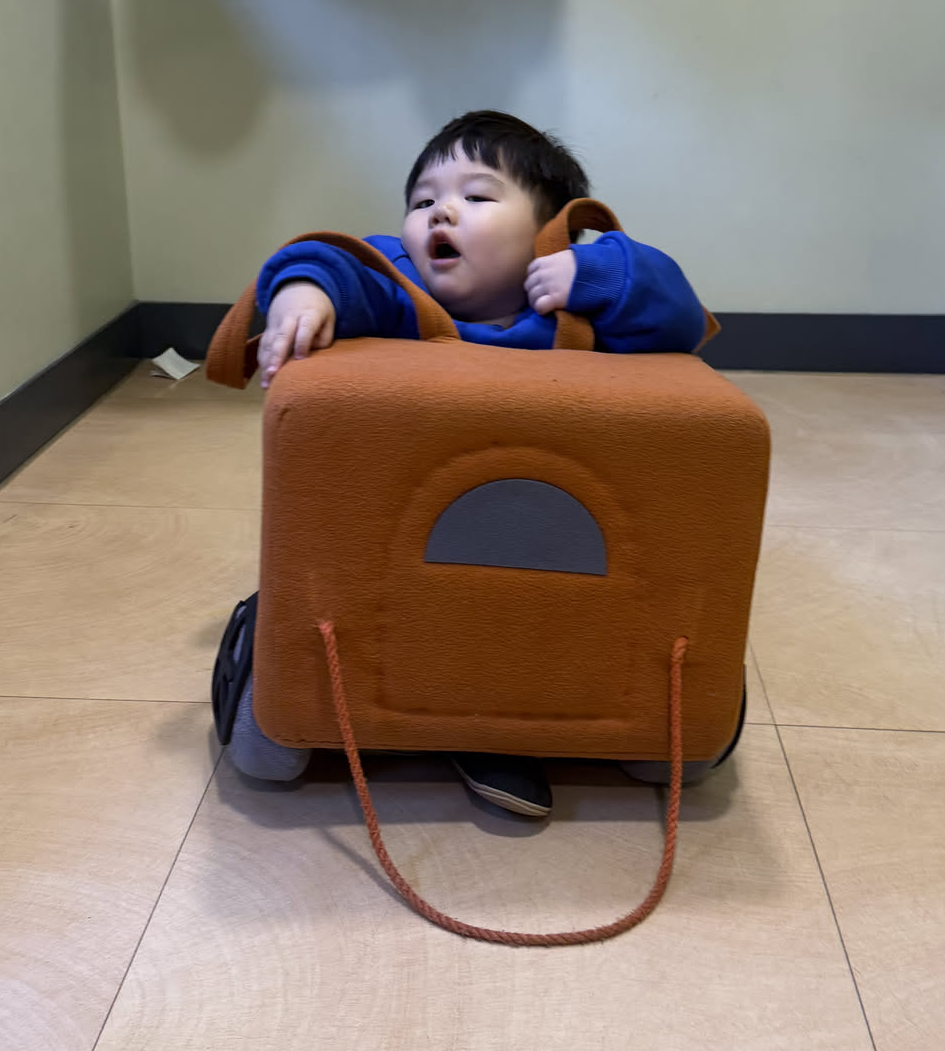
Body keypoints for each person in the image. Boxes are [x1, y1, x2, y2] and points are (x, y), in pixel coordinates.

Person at [240, 110, 716, 818]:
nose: (441, 212)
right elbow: (336, 260)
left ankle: (520, 719)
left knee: (551, 627)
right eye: (423, 201)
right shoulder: (400, 294)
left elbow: (678, 312)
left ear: (550, 235)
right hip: (399, 555)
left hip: (550, 559)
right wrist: (302, 294)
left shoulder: (581, 318)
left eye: (477, 195)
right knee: (341, 652)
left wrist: (594, 275)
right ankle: (297, 678)